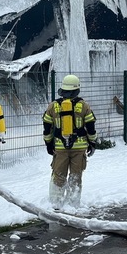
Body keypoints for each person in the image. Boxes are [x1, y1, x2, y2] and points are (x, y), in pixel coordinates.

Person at [42, 74, 98, 210]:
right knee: (75, 177)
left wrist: (49, 144)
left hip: (60, 148)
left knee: (58, 176)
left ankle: (55, 203)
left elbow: (47, 128)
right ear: (77, 90)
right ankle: (73, 204)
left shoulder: (53, 106)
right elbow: (91, 127)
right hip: (79, 148)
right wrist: (92, 143)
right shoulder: (84, 106)